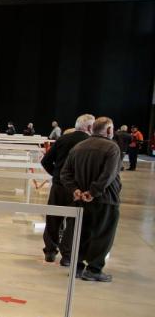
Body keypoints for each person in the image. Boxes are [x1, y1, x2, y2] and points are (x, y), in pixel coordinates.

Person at [61, 117, 122, 282]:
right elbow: (109, 175)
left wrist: (75, 190)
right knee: (103, 235)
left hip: (80, 199)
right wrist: (93, 192)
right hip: (105, 200)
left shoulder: (78, 147)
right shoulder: (112, 147)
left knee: (81, 234)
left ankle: (77, 267)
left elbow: (65, 173)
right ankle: (94, 269)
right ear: (108, 130)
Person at [41, 114, 94, 265]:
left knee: (53, 219)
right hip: (78, 189)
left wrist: (57, 175)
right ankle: (67, 256)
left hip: (58, 186)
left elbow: (45, 161)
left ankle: (50, 251)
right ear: (90, 127)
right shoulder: (90, 143)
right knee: (73, 222)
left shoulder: (62, 139)